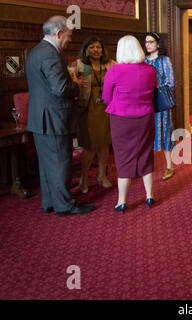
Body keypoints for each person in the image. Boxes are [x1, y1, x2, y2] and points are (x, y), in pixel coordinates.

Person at [25, 16, 95, 217]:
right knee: (60, 163)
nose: (69, 40)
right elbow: (61, 88)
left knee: (47, 165)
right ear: (58, 33)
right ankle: (66, 206)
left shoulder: (36, 51)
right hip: (54, 119)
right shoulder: (50, 54)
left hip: (41, 118)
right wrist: (77, 86)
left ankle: (50, 202)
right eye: (68, 35)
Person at [102, 35, 157, 213]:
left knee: (123, 156)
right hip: (146, 117)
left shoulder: (114, 70)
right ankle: (149, 196)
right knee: (146, 154)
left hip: (121, 119)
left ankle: (122, 201)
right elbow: (153, 93)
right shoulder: (150, 70)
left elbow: (105, 97)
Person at [76, 36, 116, 194]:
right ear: (86, 50)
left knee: (105, 144)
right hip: (88, 108)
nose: (96, 50)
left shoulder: (111, 64)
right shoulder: (80, 65)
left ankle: (101, 176)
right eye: (92, 47)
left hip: (106, 108)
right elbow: (75, 87)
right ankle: (84, 178)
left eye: (98, 47)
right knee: (90, 146)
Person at [144, 32, 176, 181]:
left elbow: (171, 82)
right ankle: (145, 167)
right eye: (146, 42)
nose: (147, 44)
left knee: (164, 133)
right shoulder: (143, 61)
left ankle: (170, 166)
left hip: (160, 104)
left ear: (157, 43)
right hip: (145, 103)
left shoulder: (165, 60)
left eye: (150, 42)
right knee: (146, 135)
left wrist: (154, 89)